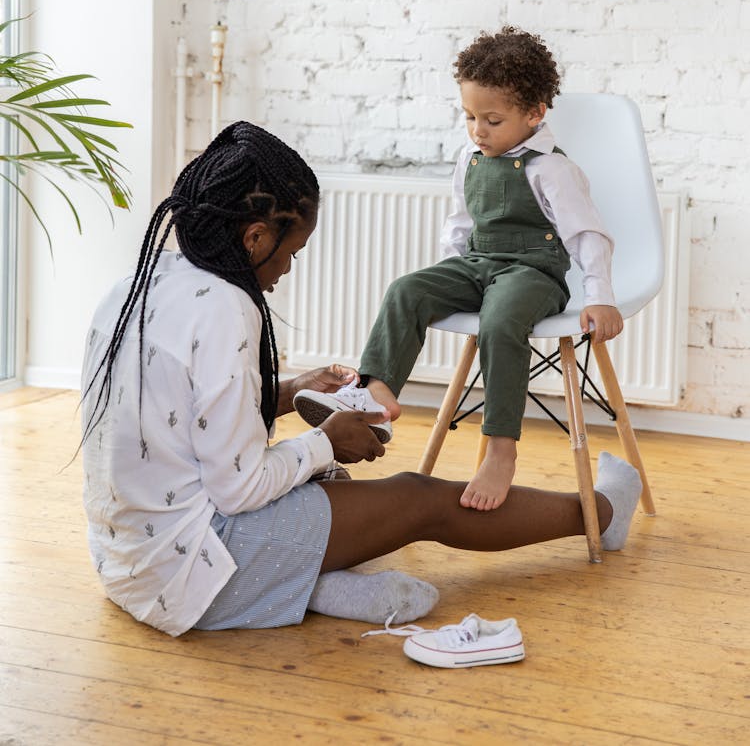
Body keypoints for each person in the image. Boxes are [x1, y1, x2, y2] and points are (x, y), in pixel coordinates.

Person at [80, 120, 640, 638]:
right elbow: (237, 488)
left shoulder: (141, 279)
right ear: (254, 238)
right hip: (196, 575)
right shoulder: (228, 307)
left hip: (128, 562)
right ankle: (601, 514)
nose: (288, 269)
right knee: (418, 499)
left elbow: (185, 420)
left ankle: (302, 588)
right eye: (291, 250)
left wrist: (289, 392)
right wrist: (327, 440)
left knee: (332, 486)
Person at [295, 27, 623, 512]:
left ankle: (500, 449)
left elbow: (586, 234)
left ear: (535, 114)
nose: (478, 130)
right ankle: (376, 394)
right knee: (407, 290)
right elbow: (460, 223)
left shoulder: (552, 168)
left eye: (492, 119)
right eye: (469, 116)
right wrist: (448, 280)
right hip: (477, 265)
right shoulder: (469, 158)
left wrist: (600, 294)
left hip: (533, 274)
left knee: (500, 318)